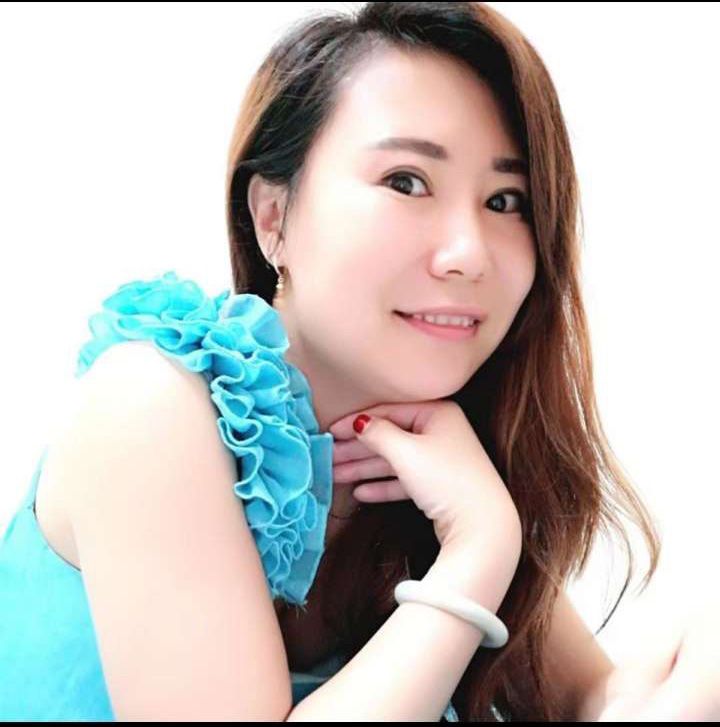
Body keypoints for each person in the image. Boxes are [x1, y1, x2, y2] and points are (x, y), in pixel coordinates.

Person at [0, 2, 662, 721]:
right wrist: (477, 550)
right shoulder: (150, 404)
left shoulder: (431, 466)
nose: (469, 253)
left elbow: (603, 702)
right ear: (272, 217)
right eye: (406, 181)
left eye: (506, 200)